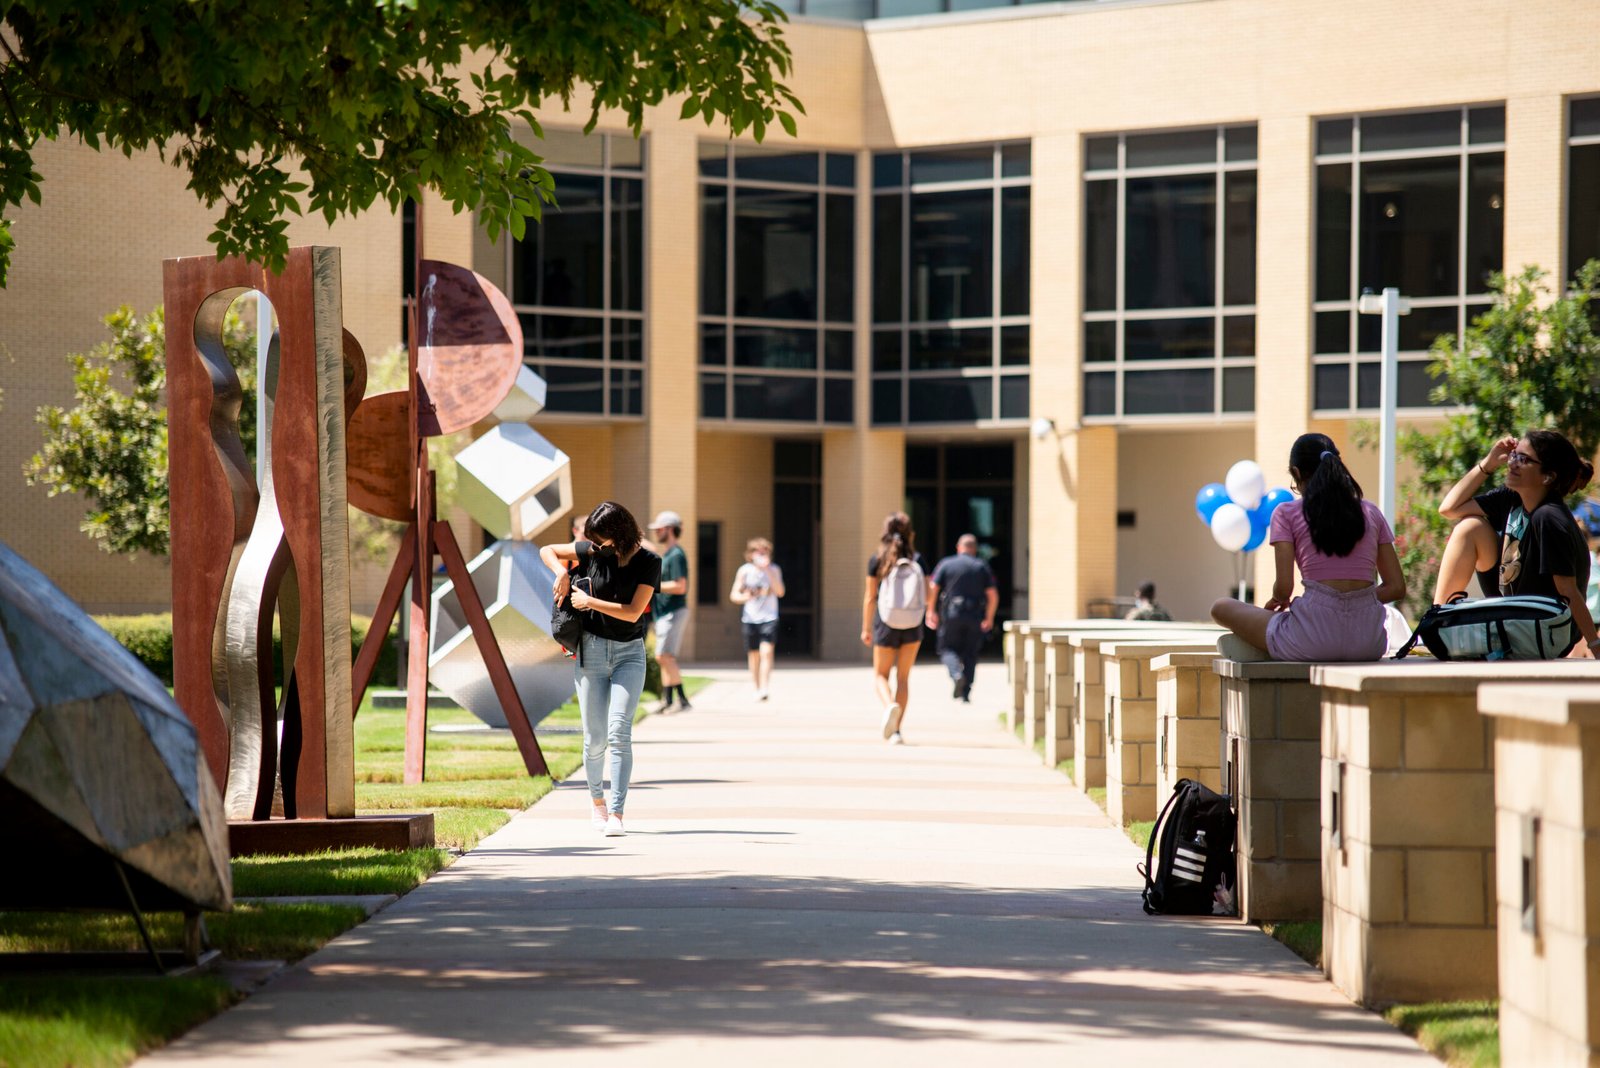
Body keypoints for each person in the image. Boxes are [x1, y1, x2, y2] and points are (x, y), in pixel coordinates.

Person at [1211, 434, 1406, 661]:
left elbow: (1284, 589)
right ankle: (1273, 642)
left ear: (1296, 473)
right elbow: (1396, 587)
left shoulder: (1286, 513)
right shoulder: (1371, 511)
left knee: (1220, 607)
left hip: (1312, 638)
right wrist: (1355, 600)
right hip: (1369, 642)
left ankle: (1267, 644)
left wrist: (1278, 600)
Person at [539, 501, 661, 837]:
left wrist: (590, 602)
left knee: (620, 733)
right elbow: (546, 550)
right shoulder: (592, 550)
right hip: (590, 652)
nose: (598, 545)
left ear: (619, 534)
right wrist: (562, 571)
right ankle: (597, 805)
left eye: (603, 539)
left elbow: (634, 612)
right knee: (595, 740)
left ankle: (618, 814)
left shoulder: (649, 562)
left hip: (629, 655)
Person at [1434, 430, 1600, 657]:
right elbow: (1449, 509)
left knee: (1471, 525)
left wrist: (1594, 645)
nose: (1512, 464)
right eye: (1514, 455)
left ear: (1547, 477)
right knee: (1470, 527)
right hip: (1515, 614)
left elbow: (1568, 589)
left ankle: (1441, 630)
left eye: (1523, 459)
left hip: (1546, 629)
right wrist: (1488, 463)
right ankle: (1438, 623)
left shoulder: (1549, 518)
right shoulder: (1511, 498)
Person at [863, 512, 928, 744]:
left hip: (886, 622)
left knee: (881, 675)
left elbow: (870, 597)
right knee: (903, 677)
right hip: (912, 622)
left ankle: (889, 704)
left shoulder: (877, 559)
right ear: (911, 533)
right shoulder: (918, 560)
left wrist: (866, 628)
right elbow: (927, 594)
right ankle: (897, 731)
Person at [926, 534, 998, 702]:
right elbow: (993, 595)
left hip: (952, 614)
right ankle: (966, 692)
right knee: (970, 653)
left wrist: (931, 611)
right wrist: (989, 617)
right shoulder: (981, 566)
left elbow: (933, 587)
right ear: (974, 549)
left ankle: (956, 674)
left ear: (959, 548)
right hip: (974, 615)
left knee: (946, 649)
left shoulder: (946, 564)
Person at [647, 510, 692, 715]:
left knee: (666, 655)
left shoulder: (676, 555)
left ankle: (682, 700)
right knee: (662, 656)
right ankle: (668, 699)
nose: (657, 532)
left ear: (670, 529)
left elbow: (681, 586)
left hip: (674, 610)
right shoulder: (668, 553)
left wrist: (653, 586)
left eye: (660, 529)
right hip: (664, 612)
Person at [729, 537, 784, 700]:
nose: (761, 554)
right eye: (758, 551)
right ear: (751, 554)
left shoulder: (775, 569)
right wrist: (746, 597)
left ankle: (765, 688)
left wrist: (768, 571)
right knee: (754, 655)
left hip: (769, 617)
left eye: (765, 551)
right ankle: (757, 687)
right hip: (750, 618)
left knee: (766, 652)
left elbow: (780, 592)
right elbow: (734, 595)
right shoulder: (744, 571)